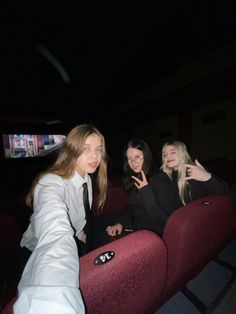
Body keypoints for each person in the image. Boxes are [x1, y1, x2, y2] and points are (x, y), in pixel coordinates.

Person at [13, 124, 108, 314]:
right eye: (86, 149)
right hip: (36, 253)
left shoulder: (86, 179)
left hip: (73, 242)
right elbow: (56, 233)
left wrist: (81, 235)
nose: (94, 157)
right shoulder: (50, 183)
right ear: (72, 150)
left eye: (98, 150)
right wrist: (55, 303)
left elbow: (78, 219)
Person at [100, 140, 231, 244]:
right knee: (98, 226)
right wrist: (121, 222)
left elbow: (168, 220)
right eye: (165, 154)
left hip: (191, 230)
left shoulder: (190, 173)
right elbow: (133, 207)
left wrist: (206, 177)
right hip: (147, 226)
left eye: (173, 152)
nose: (168, 157)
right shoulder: (168, 175)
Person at [91, 138, 160, 248]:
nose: (133, 162)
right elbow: (132, 208)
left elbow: (162, 218)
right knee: (95, 225)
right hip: (134, 225)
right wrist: (121, 223)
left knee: (99, 238)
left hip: (150, 234)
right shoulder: (134, 177)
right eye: (129, 158)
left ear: (146, 156)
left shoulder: (158, 179)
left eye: (137, 157)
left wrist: (146, 190)